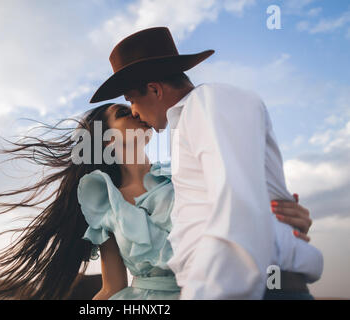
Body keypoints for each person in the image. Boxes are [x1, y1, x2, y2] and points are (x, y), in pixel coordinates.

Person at [0, 103, 318, 300]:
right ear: (105, 140)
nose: (136, 111)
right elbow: (113, 286)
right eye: (123, 112)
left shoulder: (189, 175)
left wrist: (289, 222)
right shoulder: (102, 201)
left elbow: (245, 218)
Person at [89, 27, 323, 299]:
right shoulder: (189, 123)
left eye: (131, 101)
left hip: (244, 287)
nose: (134, 112)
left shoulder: (207, 104)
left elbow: (236, 205)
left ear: (154, 89)